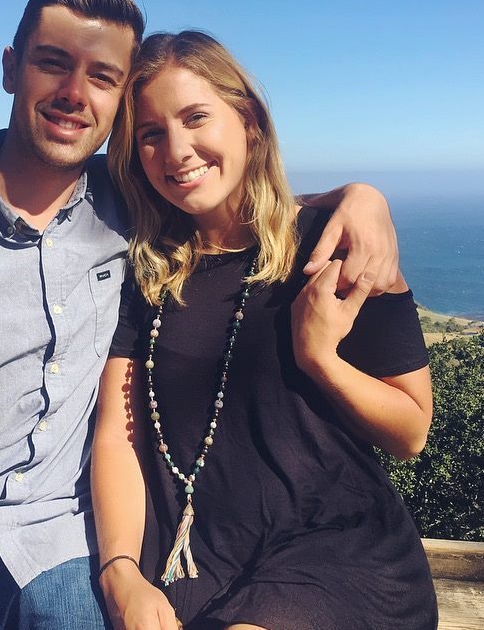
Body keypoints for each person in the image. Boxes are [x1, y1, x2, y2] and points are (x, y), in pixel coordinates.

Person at [0, 0, 400, 630]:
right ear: (11, 69)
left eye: (102, 77)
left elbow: (230, 199)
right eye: (53, 63)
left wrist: (358, 198)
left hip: (64, 545)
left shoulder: (129, 200)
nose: (75, 93)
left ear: (119, 102)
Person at [92, 31, 437, 629]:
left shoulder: (333, 244)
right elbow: (119, 435)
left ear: (249, 121)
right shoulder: (145, 271)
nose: (177, 150)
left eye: (196, 117)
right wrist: (119, 568)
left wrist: (320, 358)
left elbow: (411, 431)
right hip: (192, 560)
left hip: (335, 556)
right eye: (151, 134)